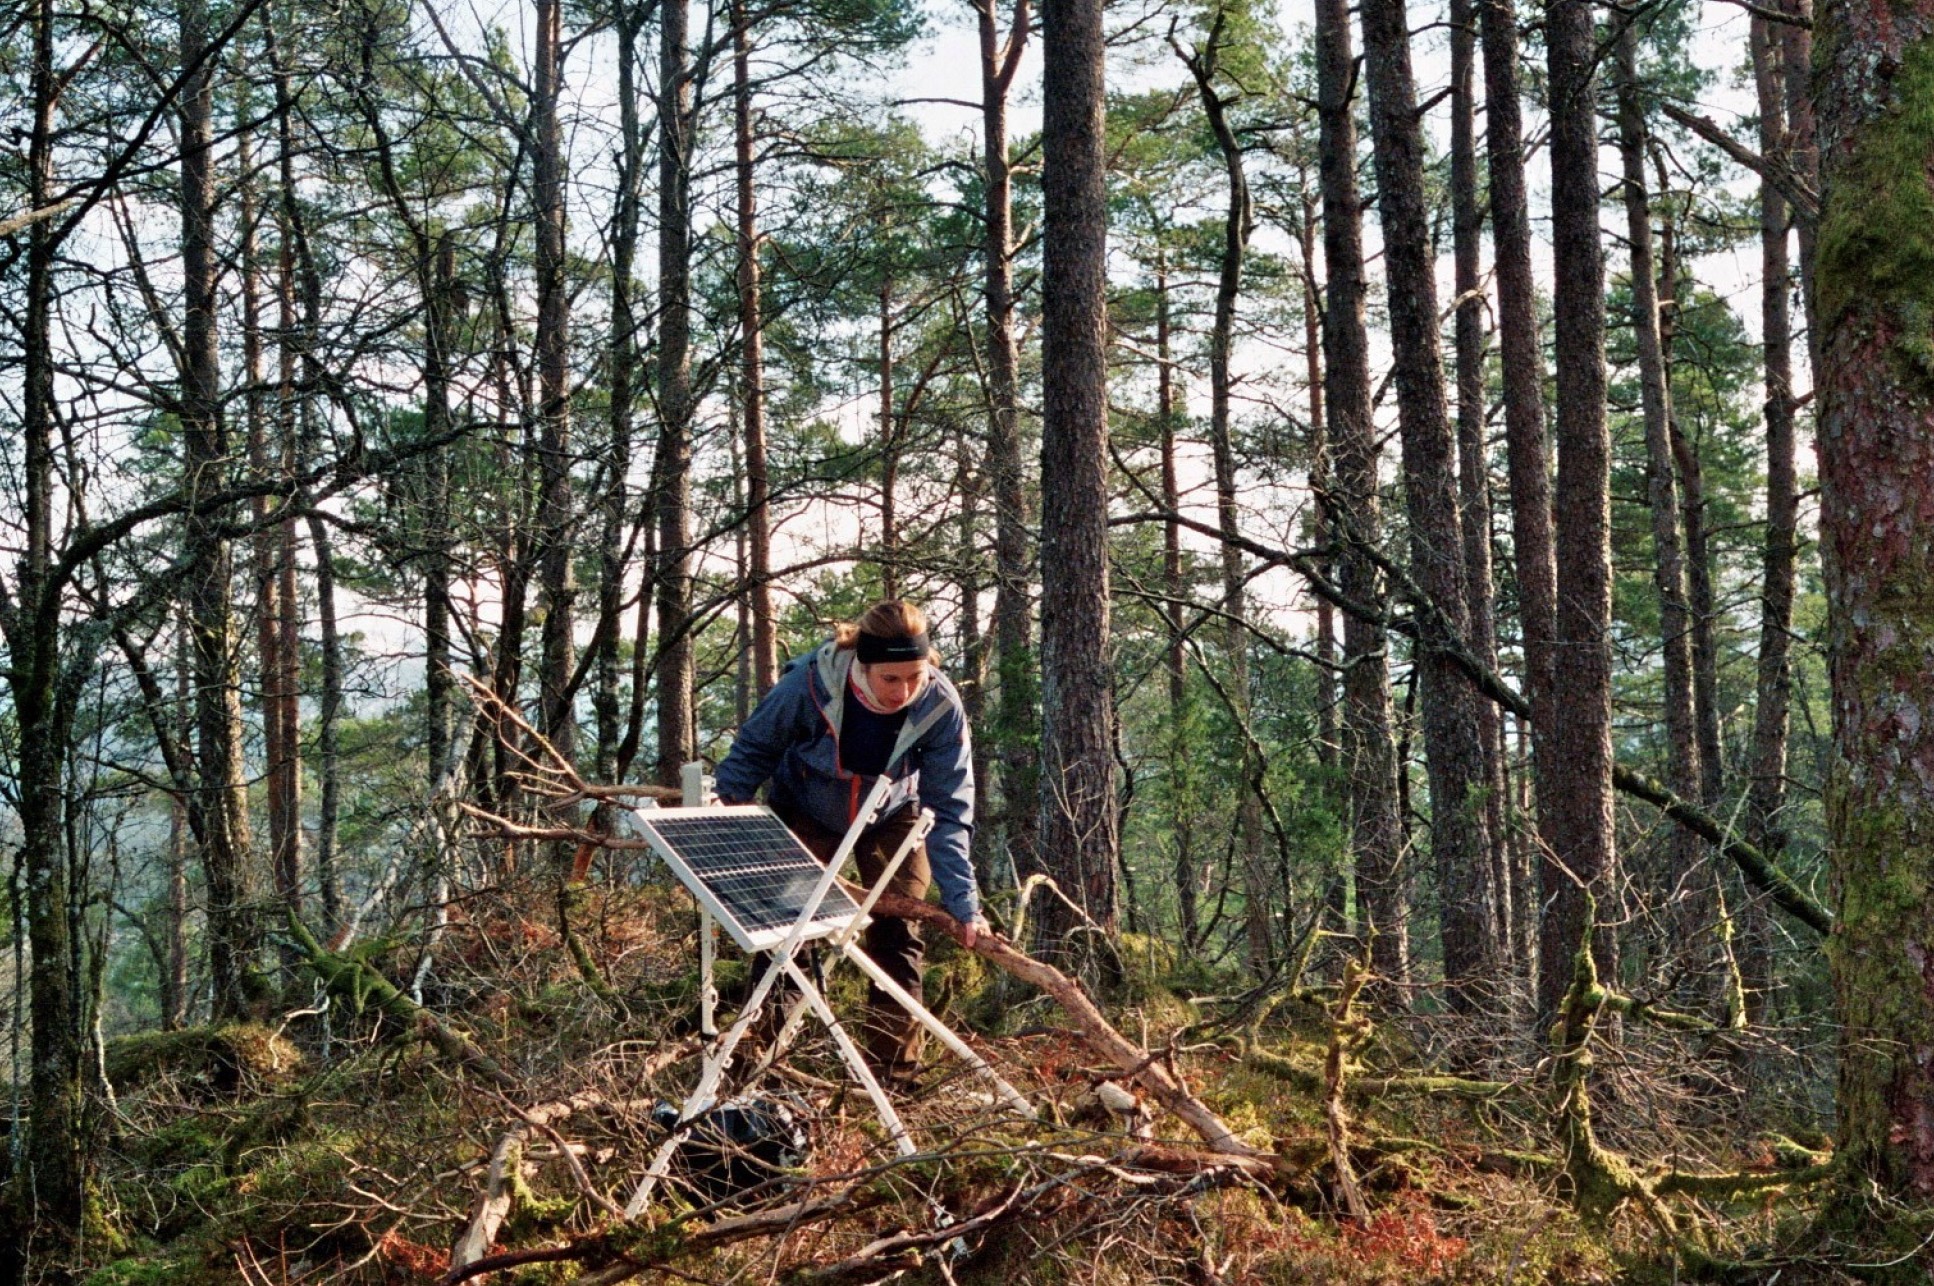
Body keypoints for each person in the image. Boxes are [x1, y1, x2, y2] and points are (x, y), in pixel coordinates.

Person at [713, 599, 988, 1084]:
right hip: (807, 808)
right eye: (890, 679)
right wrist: (724, 811)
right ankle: (760, 1070)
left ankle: (894, 1076)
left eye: (915, 676)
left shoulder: (940, 705)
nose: (904, 690)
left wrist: (964, 902)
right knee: (787, 932)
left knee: (898, 931)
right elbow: (754, 749)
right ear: (864, 665)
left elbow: (950, 808)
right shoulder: (810, 685)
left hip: (892, 815)